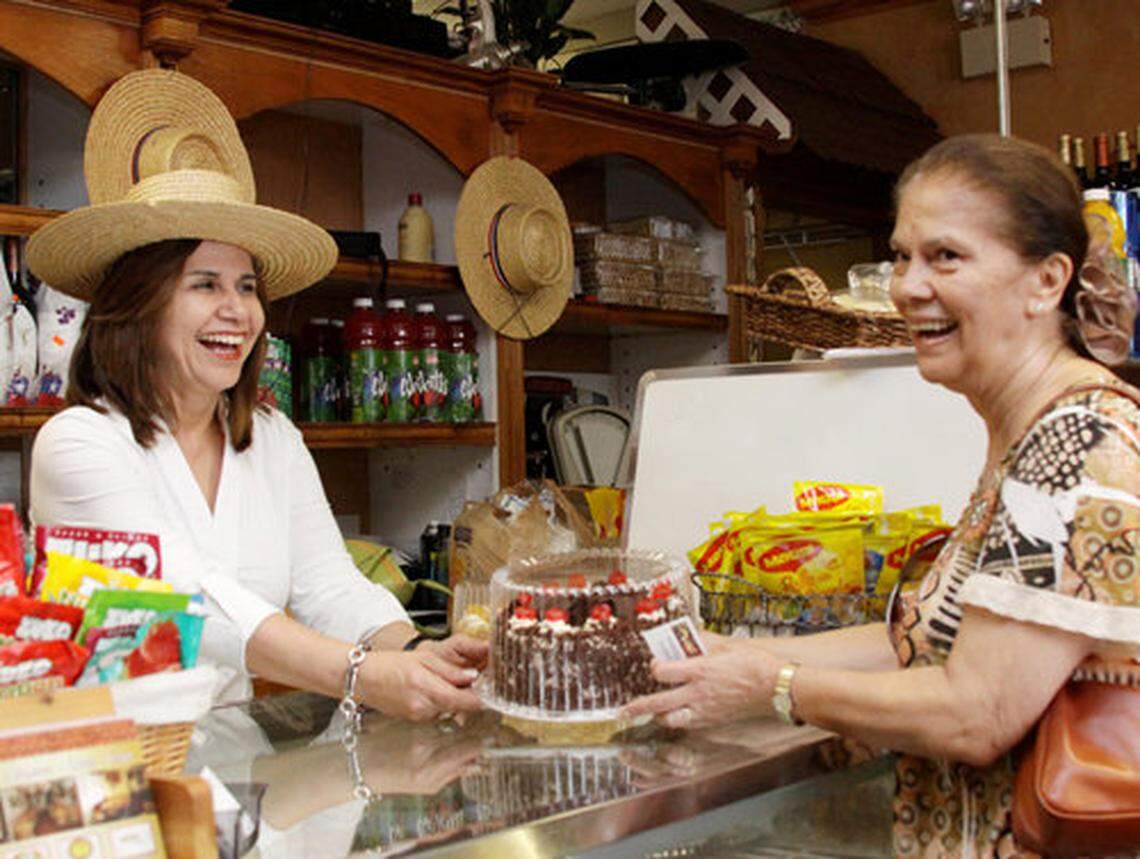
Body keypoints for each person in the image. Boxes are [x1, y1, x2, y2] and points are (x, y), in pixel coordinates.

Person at [625, 134, 1139, 857]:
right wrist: (724, 654)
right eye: (901, 255)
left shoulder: (1078, 443)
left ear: (1047, 281)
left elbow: (976, 708)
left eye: (946, 256)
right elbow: (921, 645)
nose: (908, 285)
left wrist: (775, 682)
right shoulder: (1028, 437)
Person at [27, 69, 485, 718]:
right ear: (139, 306)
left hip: (239, 766)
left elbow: (328, 584)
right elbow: (192, 602)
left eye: (246, 287)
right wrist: (364, 674)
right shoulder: (77, 444)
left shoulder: (271, 438)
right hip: (119, 778)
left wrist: (415, 649)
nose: (237, 312)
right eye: (205, 284)